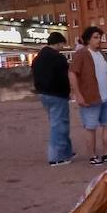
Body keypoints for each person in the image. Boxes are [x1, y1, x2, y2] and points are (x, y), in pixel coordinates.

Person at [68, 26, 107, 165]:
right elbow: (72, 73)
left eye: (100, 37)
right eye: (95, 37)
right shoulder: (81, 54)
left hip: (106, 96)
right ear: (88, 39)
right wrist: (78, 94)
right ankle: (92, 155)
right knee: (91, 127)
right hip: (90, 97)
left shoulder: (102, 54)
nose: (99, 40)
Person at [32, 31, 75, 166]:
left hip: (44, 94)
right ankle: (56, 157)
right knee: (59, 125)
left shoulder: (38, 58)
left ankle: (66, 151)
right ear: (58, 43)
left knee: (57, 122)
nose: (62, 47)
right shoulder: (58, 58)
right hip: (58, 94)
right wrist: (69, 91)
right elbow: (64, 77)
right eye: (62, 44)